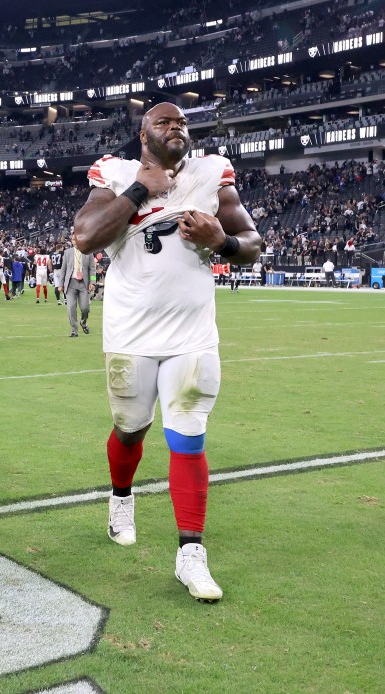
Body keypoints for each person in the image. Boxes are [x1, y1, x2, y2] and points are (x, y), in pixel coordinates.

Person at [73, 102, 260, 602]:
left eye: (181, 122)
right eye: (163, 122)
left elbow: (253, 243)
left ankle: (191, 554)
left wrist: (222, 243)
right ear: (143, 134)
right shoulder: (114, 173)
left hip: (192, 335)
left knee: (189, 436)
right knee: (130, 431)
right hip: (130, 335)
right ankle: (120, 498)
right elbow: (85, 236)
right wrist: (140, 189)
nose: (175, 128)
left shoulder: (210, 172)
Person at [61, 239, 95, 337]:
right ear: (72, 241)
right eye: (73, 239)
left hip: (84, 284)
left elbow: (92, 269)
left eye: (77, 239)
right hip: (71, 283)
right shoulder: (67, 253)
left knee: (85, 308)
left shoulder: (88, 252)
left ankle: (83, 322)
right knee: (71, 308)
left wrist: (92, 282)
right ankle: (74, 330)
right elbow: (63, 269)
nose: (75, 241)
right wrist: (60, 284)